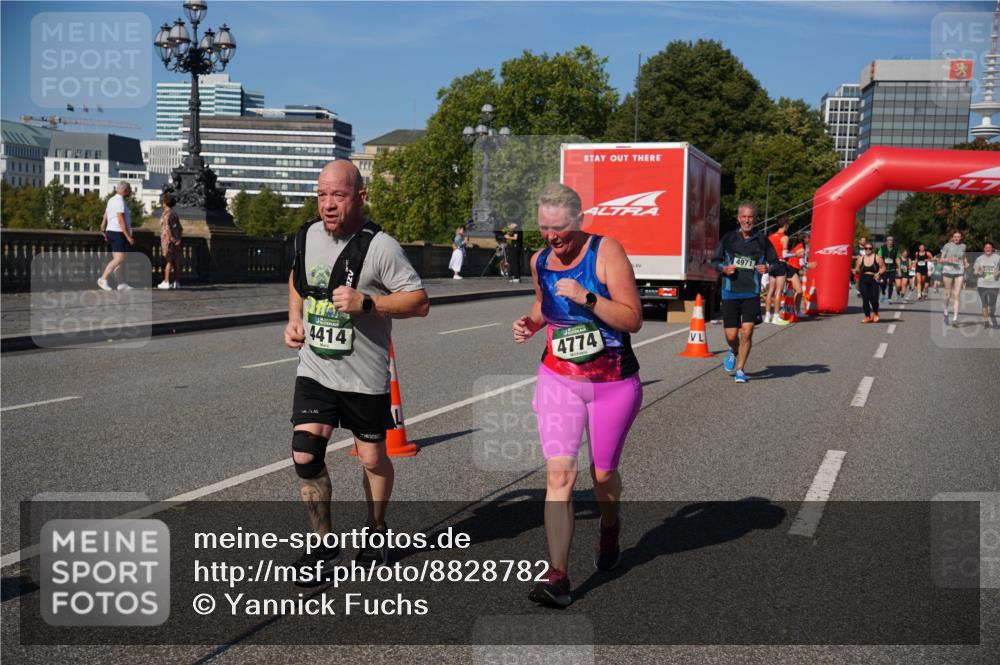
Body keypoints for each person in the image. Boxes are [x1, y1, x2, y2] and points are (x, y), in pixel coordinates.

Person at [283, 161, 429, 583]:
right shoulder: (306, 235)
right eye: (322, 195)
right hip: (315, 369)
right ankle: (323, 543)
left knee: (371, 457)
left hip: (364, 376)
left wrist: (369, 303)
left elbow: (419, 302)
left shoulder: (381, 247)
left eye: (339, 196)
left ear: (360, 197)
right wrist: (294, 318)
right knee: (305, 454)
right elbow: (297, 278)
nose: (328, 205)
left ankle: (376, 530)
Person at [512, 183, 642, 607]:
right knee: (559, 476)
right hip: (558, 379)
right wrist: (531, 324)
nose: (552, 237)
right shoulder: (539, 261)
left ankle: (609, 525)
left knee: (602, 475)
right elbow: (544, 306)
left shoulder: (607, 252)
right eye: (544, 228)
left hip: (612, 383)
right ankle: (559, 576)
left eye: (560, 228)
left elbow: (632, 319)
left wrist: (587, 297)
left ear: (579, 220)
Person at [712, 202, 776, 383]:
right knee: (731, 335)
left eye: (750, 217)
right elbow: (714, 261)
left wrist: (768, 267)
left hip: (751, 292)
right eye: (744, 217)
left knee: (747, 332)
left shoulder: (762, 240)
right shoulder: (728, 238)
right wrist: (724, 268)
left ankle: (740, 369)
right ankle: (733, 350)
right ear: (738, 218)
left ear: (755, 219)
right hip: (730, 292)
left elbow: (777, 263)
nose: (747, 220)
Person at [97, 182, 136, 291]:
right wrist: (128, 236)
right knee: (120, 258)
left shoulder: (112, 199)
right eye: (130, 190)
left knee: (118, 260)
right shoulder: (119, 201)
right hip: (118, 232)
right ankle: (103, 278)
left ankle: (121, 283)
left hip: (113, 231)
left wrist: (103, 225)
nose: (130, 192)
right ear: (125, 190)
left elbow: (106, 213)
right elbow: (120, 220)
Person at [764, 217, 791, 325]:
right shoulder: (785, 237)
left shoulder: (770, 237)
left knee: (770, 290)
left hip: (771, 264)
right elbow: (784, 254)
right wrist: (795, 255)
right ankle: (775, 316)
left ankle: (767, 316)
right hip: (780, 263)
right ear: (785, 225)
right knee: (778, 291)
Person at [939, 230, 969, 327]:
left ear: (961, 238)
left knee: (957, 295)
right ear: (952, 237)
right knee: (948, 295)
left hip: (959, 271)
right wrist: (949, 259)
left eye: (958, 237)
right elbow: (941, 259)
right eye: (955, 236)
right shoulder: (947, 245)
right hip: (947, 271)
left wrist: (966, 262)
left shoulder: (963, 246)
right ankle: (946, 312)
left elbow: (963, 257)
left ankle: (955, 319)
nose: (956, 238)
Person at [853, 241, 886, 323]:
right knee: (865, 299)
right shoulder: (860, 259)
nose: (868, 250)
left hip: (873, 279)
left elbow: (883, 268)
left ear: (872, 249)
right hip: (863, 279)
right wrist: (855, 271)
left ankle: (875, 313)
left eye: (869, 248)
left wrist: (879, 273)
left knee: (874, 300)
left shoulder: (877, 258)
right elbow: (857, 269)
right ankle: (867, 316)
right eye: (866, 248)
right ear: (864, 249)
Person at [157, 193, 183, 290]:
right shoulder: (174, 214)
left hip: (168, 240)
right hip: (177, 240)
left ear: (165, 202)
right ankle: (177, 282)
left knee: (168, 261)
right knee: (176, 261)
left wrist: (171, 239)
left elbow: (167, 228)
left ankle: (166, 281)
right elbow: (180, 228)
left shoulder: (166, 214)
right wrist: (178, 239)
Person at [973, 241, 999, 328]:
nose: (988, 249)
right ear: (984, 249)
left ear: (992, 249)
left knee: (992, 304)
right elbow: (975, 272)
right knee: (984, 303)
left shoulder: (998, 257)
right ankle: (986, 321)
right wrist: (979, 271)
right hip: (982, 284)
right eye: (986, 247)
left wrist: (998, 272)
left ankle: (991, 315)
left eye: (989, 247)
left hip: (994, 284)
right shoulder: (979, 259)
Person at [876, 236, 901, 303]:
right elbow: (879, 257)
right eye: (889, 241)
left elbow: (897, 259)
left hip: (892, 269)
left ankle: (889, 298)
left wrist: (899, 269)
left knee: (890, 283)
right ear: (886, 241)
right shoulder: (882, 248)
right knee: (883, 282)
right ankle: (883, 293)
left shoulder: (896, 249)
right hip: (884, 269)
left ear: (893, 242)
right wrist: (880, 267)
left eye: (891, 241)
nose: (890, 242)